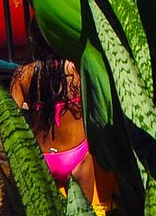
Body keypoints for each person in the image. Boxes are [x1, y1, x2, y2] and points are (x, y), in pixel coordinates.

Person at [10, 53, 117, 210]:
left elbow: (11, 124)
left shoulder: (23, 74)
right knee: (82, 211)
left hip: (40, 157)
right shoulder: (78, 67)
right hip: (77, 157)